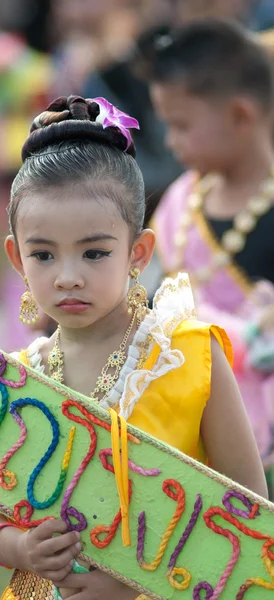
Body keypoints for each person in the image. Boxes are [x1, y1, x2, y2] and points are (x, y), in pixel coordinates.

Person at [0, 95, 267, 600]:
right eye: (44, 255)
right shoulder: (14, 379)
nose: (69, 276)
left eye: (95, 252)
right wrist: (19, 549)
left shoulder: (189, 355)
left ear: (137, 252)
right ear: (16, 258)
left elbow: (250, 511)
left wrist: (141, 580)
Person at [138, 21, 274, 473]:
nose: (170, 142)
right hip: (184, 417)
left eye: (181, 125)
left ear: (240, 114)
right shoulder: (179, 202)